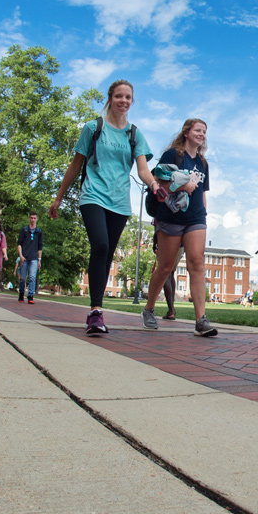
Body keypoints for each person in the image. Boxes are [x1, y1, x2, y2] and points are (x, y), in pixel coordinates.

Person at [49, 79, 158, 336]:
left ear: (132, 101)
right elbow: (76, 166)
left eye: (128, 97)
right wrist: (58, 198)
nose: (123, 101)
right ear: (110, 98)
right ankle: (95, 311)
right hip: (93, 196)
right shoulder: (93, 128)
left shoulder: (134, 134)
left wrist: (154, 185)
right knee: (100, 245)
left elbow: (142, 169)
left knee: (107, 254)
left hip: (120, 202)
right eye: (119, 96)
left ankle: (97, 312)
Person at [140, 118, 217, 336]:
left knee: (197, 263)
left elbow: (202, 192)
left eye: (204, 131)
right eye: (198, 130)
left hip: (195, 218)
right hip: (171, 216)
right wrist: (183, 185)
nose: (202, 134)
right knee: (165, 266)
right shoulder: (173, 155)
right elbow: (158, 182)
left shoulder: (203, 162)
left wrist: (204, 214)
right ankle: (149, 309)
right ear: (186, 132)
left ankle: (201, 320)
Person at [151, 228, 179, 320]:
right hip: (180, 242)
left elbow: (157, 223)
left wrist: (155, 242)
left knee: (166, 272)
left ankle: (171, 310)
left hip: (166, 238)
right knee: (171, 272)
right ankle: (171, 309)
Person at [17, 212, 44, 304]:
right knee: (23, 278)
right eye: (31, 218)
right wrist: (20, 256)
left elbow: (40, 247)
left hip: (34, 258)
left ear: (37, 219)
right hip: (24, 257)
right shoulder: (24, 230)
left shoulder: (39, 232)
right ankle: (21, 293)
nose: (33, 220)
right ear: (29, 218)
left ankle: (30, 295)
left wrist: (39, 260)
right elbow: (19, 244)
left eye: (34, 218)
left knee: (32, 277)